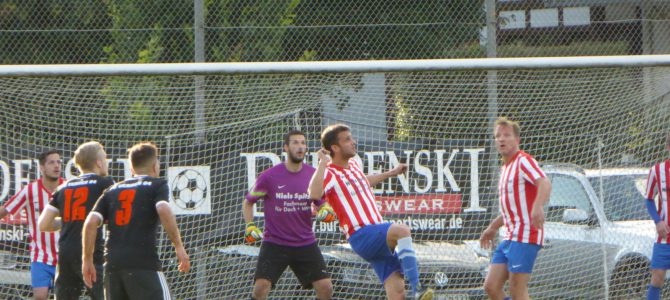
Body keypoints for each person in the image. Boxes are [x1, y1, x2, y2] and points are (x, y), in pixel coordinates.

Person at [308, 124, 433, 300]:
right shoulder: (329, 173)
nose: (354, 142)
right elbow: (313, 194)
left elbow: (363, 181)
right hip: (362, 234)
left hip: (375, 235)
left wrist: (392, 172)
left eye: (352, 138)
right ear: (334, 148)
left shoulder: (353, 164)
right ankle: (418, 288)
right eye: (348, 139)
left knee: (397, 291)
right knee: (402, 230)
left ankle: (412, 289)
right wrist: (322, 163)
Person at [82, 142, 190, 300]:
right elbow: (163, 209)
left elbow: (91, 222)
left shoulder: (111, 191)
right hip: (143, 263)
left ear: (131, 169)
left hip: (113, 265)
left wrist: (87, 260)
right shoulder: (157, 184)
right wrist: (179, 246)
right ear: (155, 165)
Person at [243, 129, 335, 300]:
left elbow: (321, 202)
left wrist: (326, 210)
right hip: (275, 243)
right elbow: (248, 202)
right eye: (295, 143)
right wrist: (250, 226)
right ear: (286, 147)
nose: (300, 147)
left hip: (305, 242)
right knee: (261, 288)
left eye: (303, 143)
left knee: (326, 288)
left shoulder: (312, 175)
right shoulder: (269, 177)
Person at [479, 117, 552, 300]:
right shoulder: (505, 168)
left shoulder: (523, 161)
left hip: (527, 234)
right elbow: (510, 208)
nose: (501, 139)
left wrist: (537, 206)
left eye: (507, 135)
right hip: (510, 236)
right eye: (498, 136)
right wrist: (493, 227)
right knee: (491, 286)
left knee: (517, 289)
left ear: (517, 140)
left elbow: (544, 182)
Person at [38, 141, 113, 299]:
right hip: (92, 253)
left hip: (66, 254)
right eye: (105, 159)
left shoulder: (64, 187)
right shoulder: (105, 183)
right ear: (99, 163)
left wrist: (68, 220)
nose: (106, 163)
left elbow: (43, 224)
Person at [0, 149, 63, 300]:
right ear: (42, 167)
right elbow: (5, 210)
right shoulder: (30, 190)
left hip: (65, 255)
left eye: (59, 162)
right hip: (40, 255)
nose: (57, 166)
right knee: (40, 297)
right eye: (52, 162)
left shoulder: (68, 187)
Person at [644, 132, 670, 300]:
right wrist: (658, 221)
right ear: (668, 147)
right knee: (657, 277)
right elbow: (648, 199)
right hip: (665, 236)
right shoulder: (657, 170)